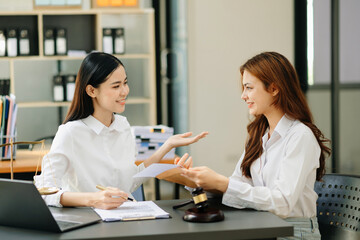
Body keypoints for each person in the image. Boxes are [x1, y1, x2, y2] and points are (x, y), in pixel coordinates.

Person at [180, 52, 331, 239]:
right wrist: (197, 181)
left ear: (274, 89)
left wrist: (223, 183)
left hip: (293, 233)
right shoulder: (259, 135)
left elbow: (283, 203)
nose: (243, 96)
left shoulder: (300, 136)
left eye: (249, 88)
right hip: (263, 226)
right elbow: (241, 187)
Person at [34, 52, 207, 210]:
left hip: (126, 217)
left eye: (125, 83)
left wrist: (166, 147)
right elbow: (44, 192)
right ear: (91, 90)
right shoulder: (70, 133)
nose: (125, 91)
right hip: (88, 221)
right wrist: (93, 199)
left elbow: (128, 182)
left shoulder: (122, 125)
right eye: (116, 86)